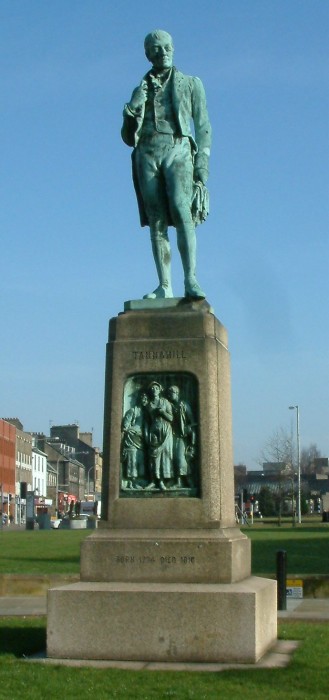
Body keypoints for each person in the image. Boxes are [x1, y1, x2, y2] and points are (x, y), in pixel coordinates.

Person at [121, 29, 211, 300]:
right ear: (148, 55)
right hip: (147, 152)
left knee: (182, 211)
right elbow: (128, 138)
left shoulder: (190, 83)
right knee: (156, 218)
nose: (164, 52)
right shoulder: (141, 89)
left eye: (167, 47)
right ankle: (164, 285)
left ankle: (191, 279)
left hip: (178, 147)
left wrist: (202, 166)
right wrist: (132, 107)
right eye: (157, 49)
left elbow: (204, 126)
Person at [144, 381, 173, 490]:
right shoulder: (149, 405)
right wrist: (146, 434)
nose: (154, 390)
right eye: (152, 389)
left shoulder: (165, 402)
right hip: (154, 431)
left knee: (165, 456)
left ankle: (161, 481)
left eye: (156, 388)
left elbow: (171, 418)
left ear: (160, 390)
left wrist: (163, 413)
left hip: (166, 431)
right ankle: (153, 480)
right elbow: (146, 421)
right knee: (153, 456)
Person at [167, 385, 196, 488]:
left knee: (181, 459)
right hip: (171, 436)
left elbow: (192, 422)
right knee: (172, 459)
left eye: (172, 393)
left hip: (182, 437)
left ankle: (186, 482)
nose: (170, 395)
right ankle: (176, 481)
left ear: (177, 393)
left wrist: (192, 439)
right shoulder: (169, 405)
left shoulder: (184, 405)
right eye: (169, 393)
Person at [121, 391, 148, 489]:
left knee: (140, 460)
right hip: (132, 439)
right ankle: (131, 482)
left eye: (146, 399)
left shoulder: (147, 412)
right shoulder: (133, 411)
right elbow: (125, 426)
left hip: (142, 440)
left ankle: (138, 481)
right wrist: (132, 432)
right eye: (143, 399)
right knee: (132, 460)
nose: (145, 401)